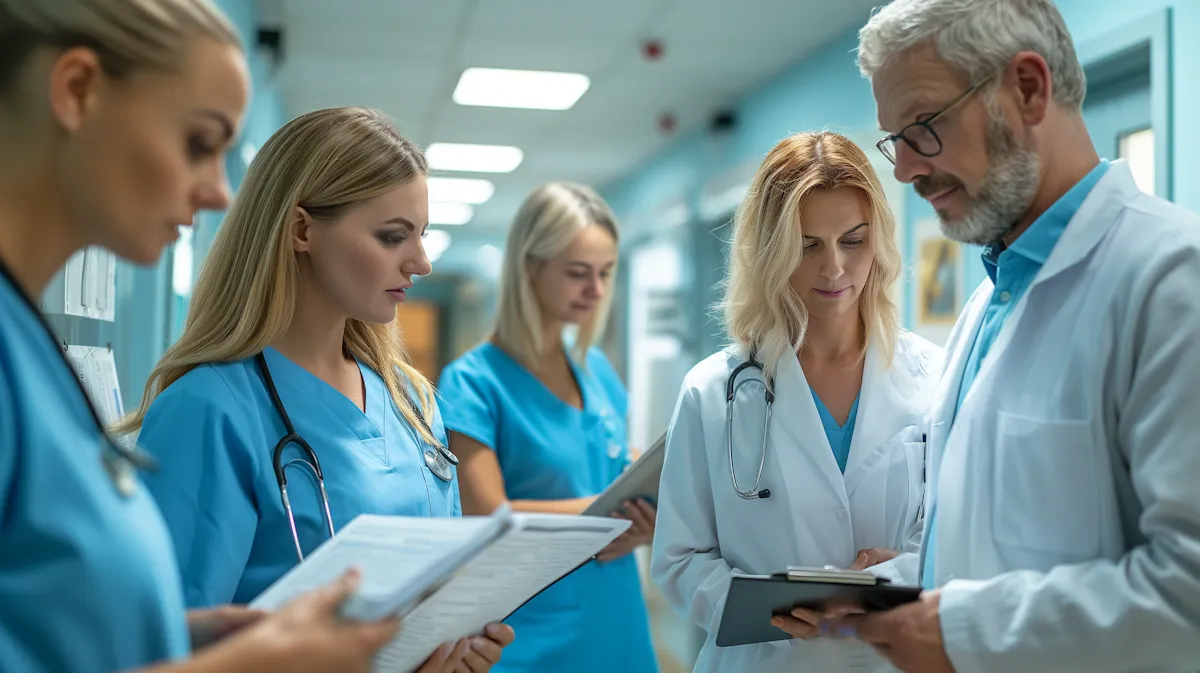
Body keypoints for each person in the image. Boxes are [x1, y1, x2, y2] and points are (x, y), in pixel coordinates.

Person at [0, 1, 422, 672]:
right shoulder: (205, 403)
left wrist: (197, 637)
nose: (224, 195)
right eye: (199, 142)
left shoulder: (28, 347)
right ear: (78, 91)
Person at [837, 0, 1200, 671]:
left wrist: (964, 630)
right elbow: (1014, 544)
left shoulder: (1173, 279)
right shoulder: (988, 303)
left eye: (922, 126)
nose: (905, 171)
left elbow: (1189, 589)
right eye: (895, 140)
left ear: (1028, 88)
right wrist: (900, 586)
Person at [115, 106, 514, 672]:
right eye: (392, 236)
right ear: (302, 229)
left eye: (420, 236)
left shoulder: (412, 403)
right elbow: (167, 652)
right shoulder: (210, 411)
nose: (421, 262)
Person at [649, 131, 944, 673]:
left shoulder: (936, 379)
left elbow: (960, 537)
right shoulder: (713, 392)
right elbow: (678, 561)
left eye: (853, 241)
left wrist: (898, 577)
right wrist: (772, 609)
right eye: (808, 245)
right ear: (771, 251)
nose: (834, 269)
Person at [437, 182, 659, 673]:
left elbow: (617, 475)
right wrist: (605, 514)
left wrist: (646, 521)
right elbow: (487, 517)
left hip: (617, 620)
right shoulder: (472, 384)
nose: (596, 291)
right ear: (529, 269)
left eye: (605, 273)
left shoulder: (597, 371)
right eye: (578, 273)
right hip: (531, 632)